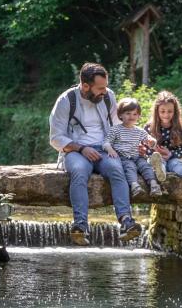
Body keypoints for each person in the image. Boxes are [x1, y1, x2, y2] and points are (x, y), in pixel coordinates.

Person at [49, 63, 141, 246]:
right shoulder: (66, 101)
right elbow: (55, 138)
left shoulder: (108, 97)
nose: (104, 91)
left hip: (104, 148)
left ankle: (126, 221)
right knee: (79, 171)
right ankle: (80, 225)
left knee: (117, 169)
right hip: (75, 150)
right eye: (100, 88)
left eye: (105, 87)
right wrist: (82, 149)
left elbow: (118, 127)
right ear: (85, 86)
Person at [103, 98, 163, 198]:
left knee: (146, 166)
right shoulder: (116, 129)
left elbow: (150, 142)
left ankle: (154, 185)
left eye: (135, 114)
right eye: (128, 113)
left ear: (138, 116)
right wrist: (110, 149)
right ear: (120, 115)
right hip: (124, 157)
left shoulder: (139, 131)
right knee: (130, 168)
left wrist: (152, 142)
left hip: (137, 156)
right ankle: (135, 186)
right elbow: (106, 142)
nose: (131, 116)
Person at [144, 90, 182, 181]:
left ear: (175, 112)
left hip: (173, 158)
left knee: (177, 164)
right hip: (157, 159)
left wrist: (170, 154)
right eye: (162, 111)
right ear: (157, 112)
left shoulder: (180, 129)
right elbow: (144, 149)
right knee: (159, 163)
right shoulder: (149, 128)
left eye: (170, 111)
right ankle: (160, 173)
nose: (166, 115)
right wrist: (155, 151)